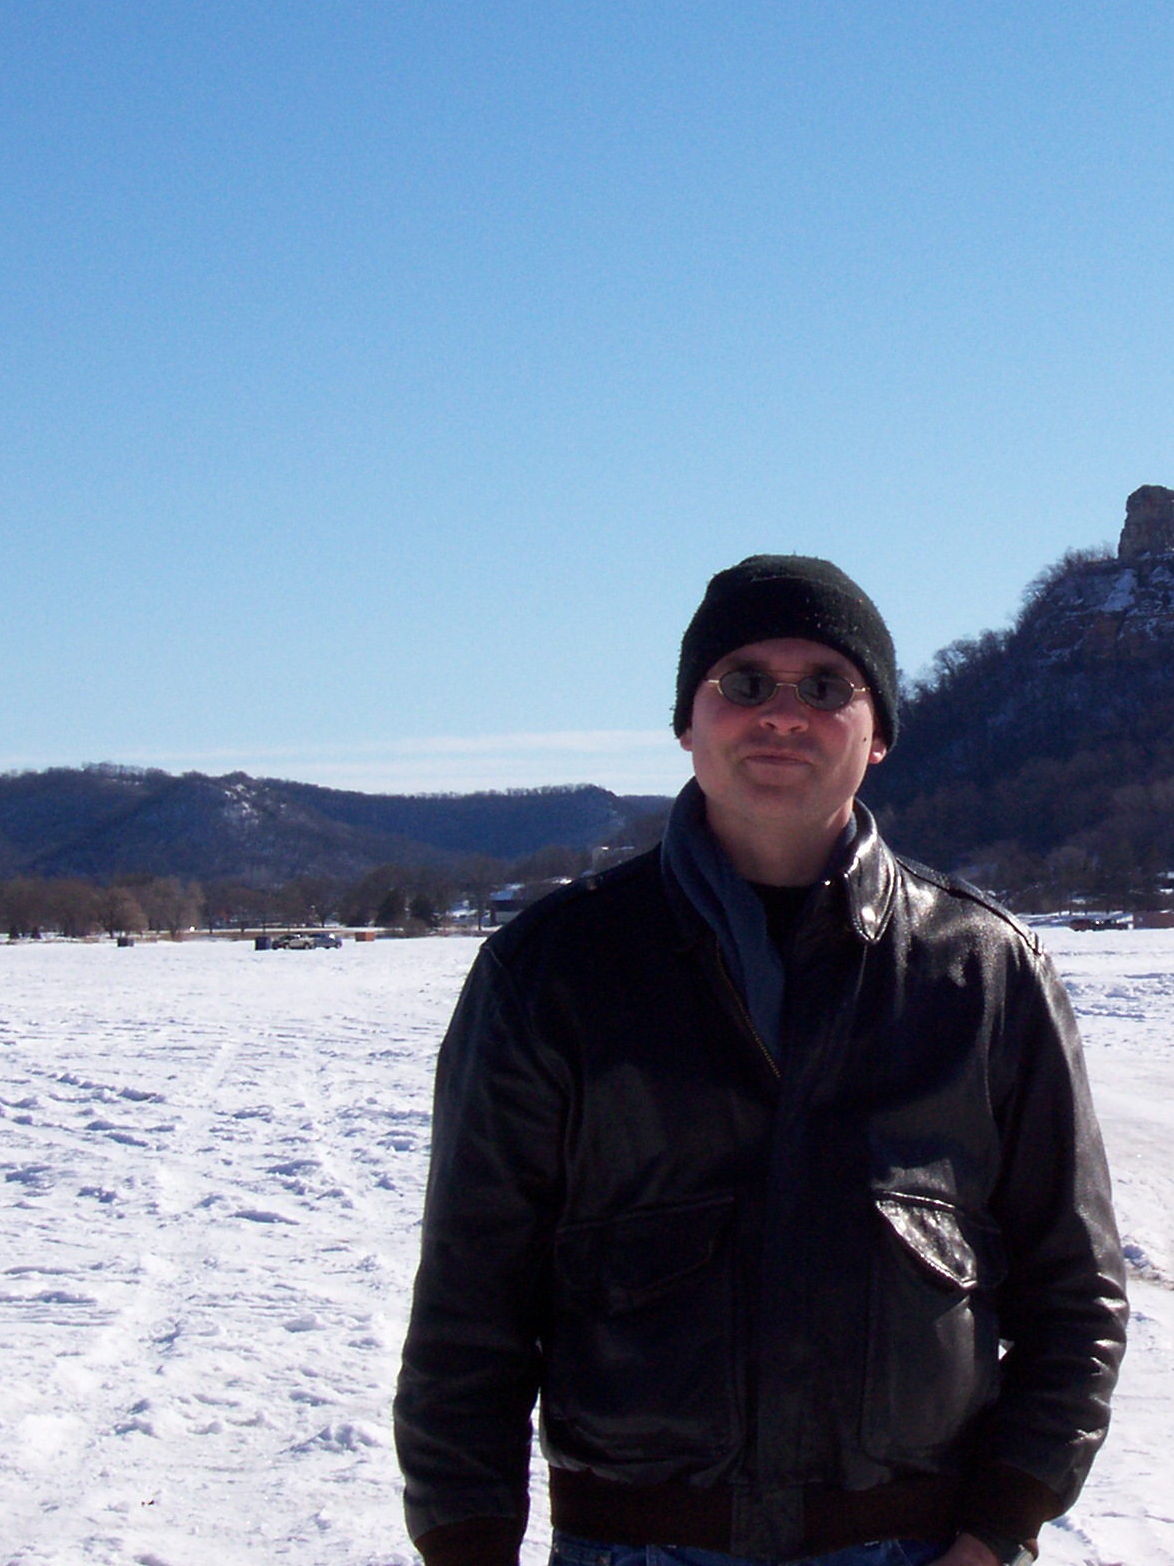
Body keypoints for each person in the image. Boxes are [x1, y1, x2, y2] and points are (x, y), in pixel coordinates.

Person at [395, 556, 1127, 1566]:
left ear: (878, 738)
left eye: (827, 686)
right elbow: (469, 1306)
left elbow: (1075, 1292)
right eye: (744, 681)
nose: (782, 712)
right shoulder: (550, 972)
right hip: (634, 1548)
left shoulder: (987, 972)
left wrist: (996, 1531)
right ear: (687, 721)